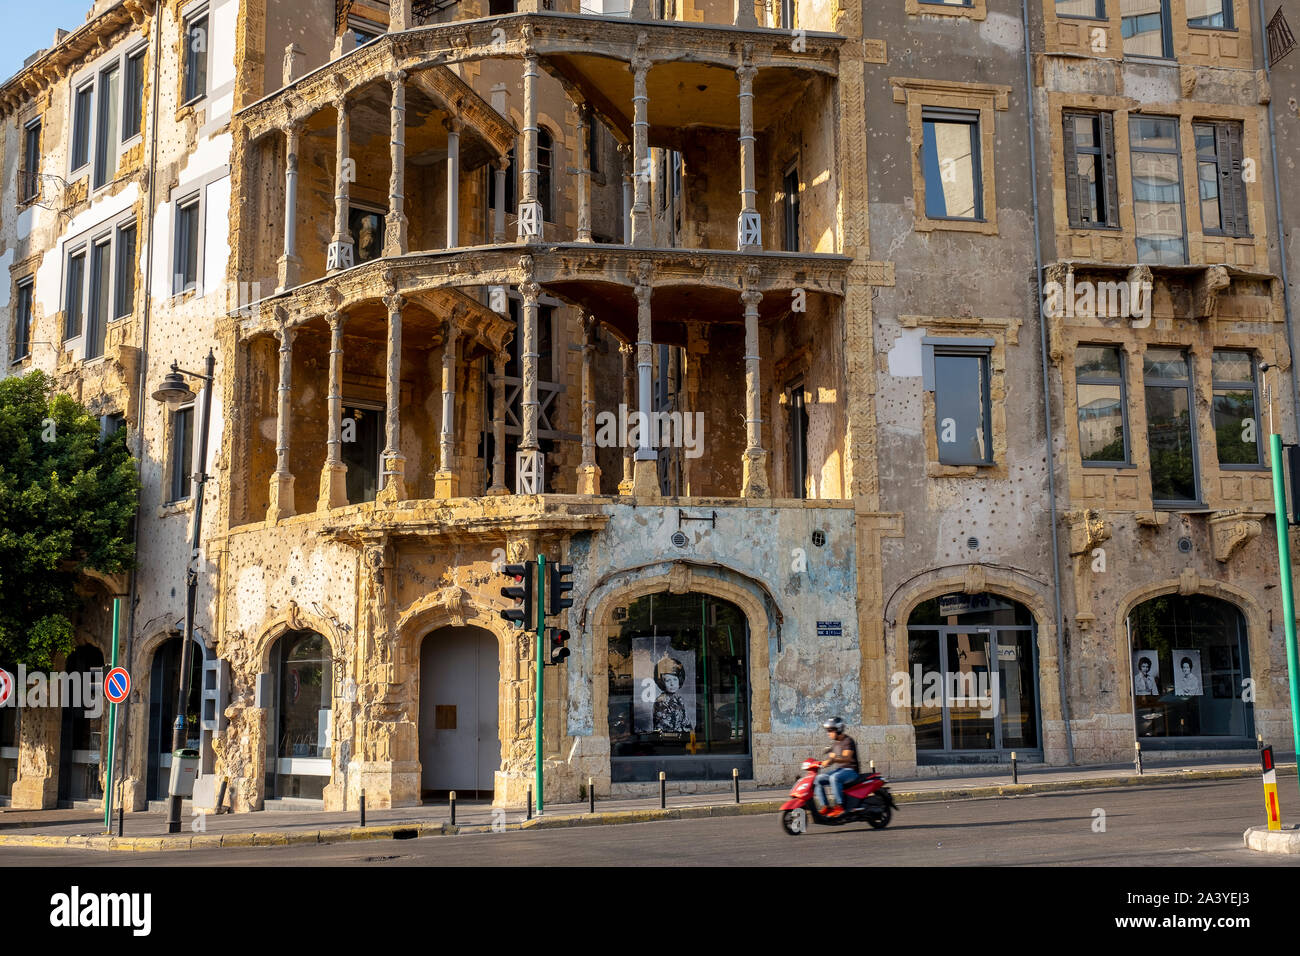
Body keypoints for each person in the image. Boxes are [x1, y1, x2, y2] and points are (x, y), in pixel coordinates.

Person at [814, 716, 860, 818]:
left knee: (834, 778)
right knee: (817, 779)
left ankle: (840, 806)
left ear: (838, 729)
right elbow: (831, 759)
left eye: (830, 730)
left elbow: (847, 758)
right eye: (827, 730)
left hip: (851, 771)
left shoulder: (848, 741)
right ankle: (826, 806)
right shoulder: (835, 744)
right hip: (840, 770)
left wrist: (833, 760)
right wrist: (821, 763)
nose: (828, 733)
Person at [652, 655, 689, 733]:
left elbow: (685, 721)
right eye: (668, 680)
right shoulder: (661, 701)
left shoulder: (678, 698)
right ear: (662, 682)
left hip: (681, 738)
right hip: (668, 740)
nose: (672, 684)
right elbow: (665, 727)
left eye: (675, 679)